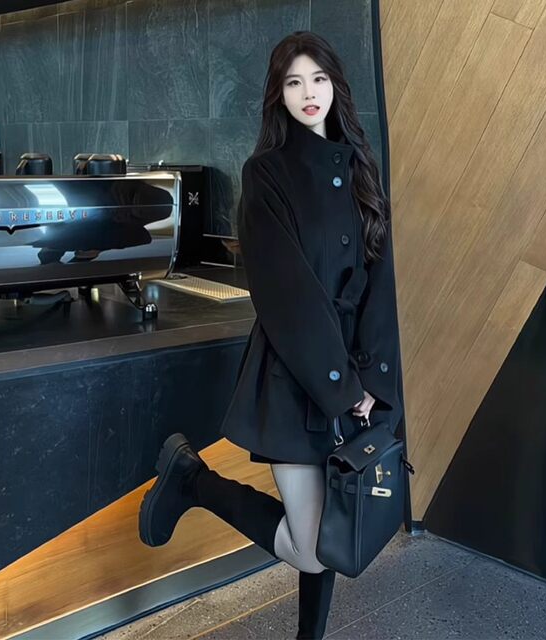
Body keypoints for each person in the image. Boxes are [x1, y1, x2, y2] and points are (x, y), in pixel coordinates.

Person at [139, 30, 401, 640]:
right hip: (295, 375)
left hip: (355, 373)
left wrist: (374, 379)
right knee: (311, 546)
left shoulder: (361, 166)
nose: (309, 93)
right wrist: (342, 387)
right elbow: (287, 297)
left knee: (331, 528)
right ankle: (193, 480)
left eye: (319, 79)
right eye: (294, 82)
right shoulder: (266, 173)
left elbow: (380, 281)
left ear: (335, 86)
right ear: (277, 95)